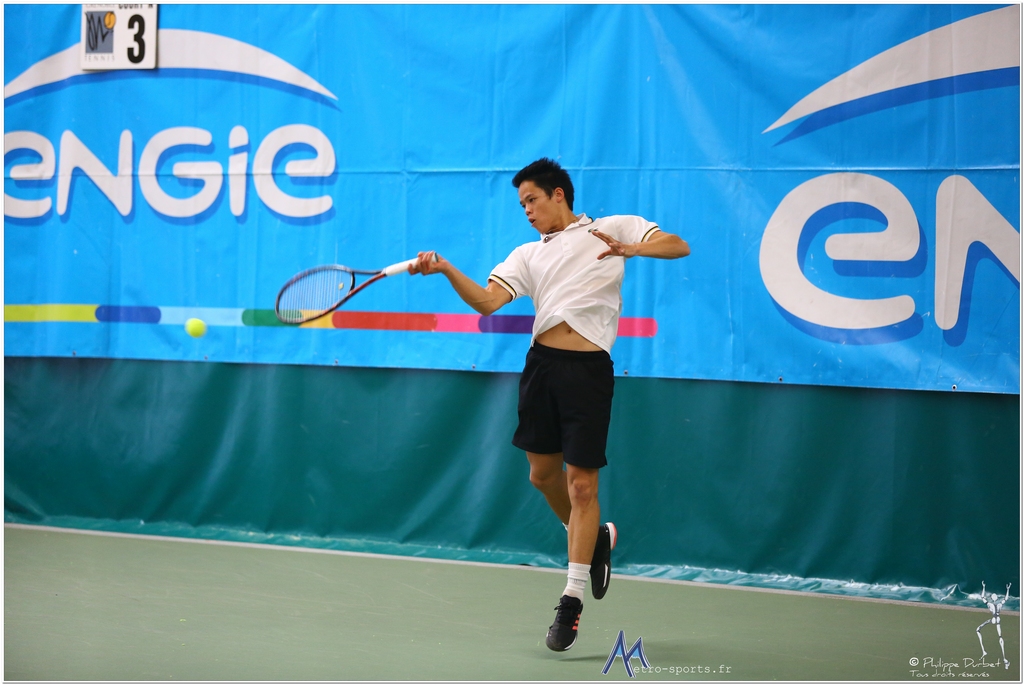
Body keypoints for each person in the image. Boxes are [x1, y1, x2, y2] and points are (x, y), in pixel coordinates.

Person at [409, 158, 690, 651]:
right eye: (522, 204)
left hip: (588, 371)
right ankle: (593, 538)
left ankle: (571, 600)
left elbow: (677, 245)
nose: (527, 210)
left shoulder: (612, 228)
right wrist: (447, 269)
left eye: (532, 200)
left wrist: (632, 248)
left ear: (558, 194)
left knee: (582, 485)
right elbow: (487, 302)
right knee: (542, 476)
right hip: (541, 367)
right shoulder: (526, 255)